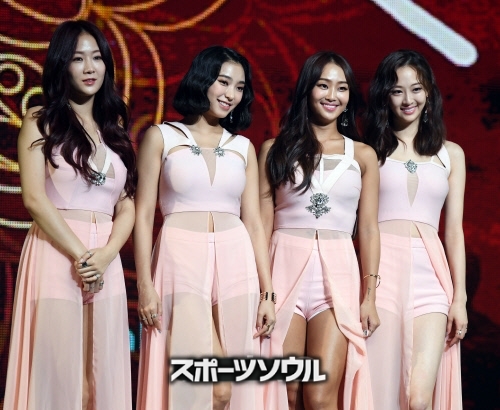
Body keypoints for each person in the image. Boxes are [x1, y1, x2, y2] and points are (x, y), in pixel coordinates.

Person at [4, 20, 136, 410]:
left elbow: (126, 203)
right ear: (62, 65)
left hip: (105, 260)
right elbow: (33, 198)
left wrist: (106, 255)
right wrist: (82, 256)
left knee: (100, 380)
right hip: (57, 254)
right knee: (61, 379)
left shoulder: (115, 128)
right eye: (78, 59)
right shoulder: (40, 121)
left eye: (97, 57)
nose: (90, 67)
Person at [134, 45, 275, 410]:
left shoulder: (243, 147)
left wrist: (268, 293)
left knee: (236, 385)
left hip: (237, 262)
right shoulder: (161, 137)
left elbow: (254, 223)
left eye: (239, 87)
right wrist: (145, 284)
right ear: (203, 80)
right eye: (223, 82)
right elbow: (143, 213)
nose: (231, 94)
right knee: (215, 388)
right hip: (180, 262)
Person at [259, 51, 380, 410]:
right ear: (307, 90)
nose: (332, 95)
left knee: (320, 394)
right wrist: (263, 290)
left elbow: (368, 229)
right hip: (282, 274)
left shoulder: (363, 155)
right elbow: (261, 225)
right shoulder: (274, 149)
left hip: (337, 277)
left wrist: (369, 296)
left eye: (342, 88)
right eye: (323, 85)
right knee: (287, 391)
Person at [364, 49, 467, 410]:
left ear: (429, 93)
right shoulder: (367, 152)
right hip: (380, 276)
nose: (408, 99)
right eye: (397, 91)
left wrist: (459, 298)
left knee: (419, 399)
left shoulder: (451, 154)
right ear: (385, 95)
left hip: (431, 278)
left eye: (416, 89)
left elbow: (453, 231)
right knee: (382, 392)